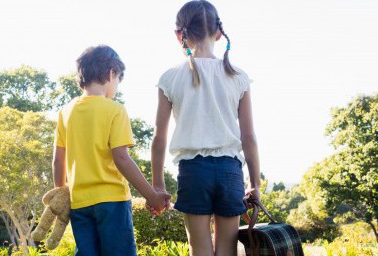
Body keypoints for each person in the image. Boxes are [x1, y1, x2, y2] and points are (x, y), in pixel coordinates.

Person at [150, 1, 262, 255]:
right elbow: (249, 137)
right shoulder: (239, 77)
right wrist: (254, 182)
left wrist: (158, 185)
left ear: (179, 34)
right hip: (230, 171)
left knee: (198, 249)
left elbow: (159, 137)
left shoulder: (169, 78)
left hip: (193, 172)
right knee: (227, 250)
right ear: (219, 33)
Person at [52, 45, 171, 256]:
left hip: (79, 203)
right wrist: (151, 196)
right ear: (111, 73)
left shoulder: (65, 112)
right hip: (112, 202)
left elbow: (58, 161)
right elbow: (122, 159)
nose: (116, 88)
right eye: (118, 81)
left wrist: (61, 194)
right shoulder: (115, 110)